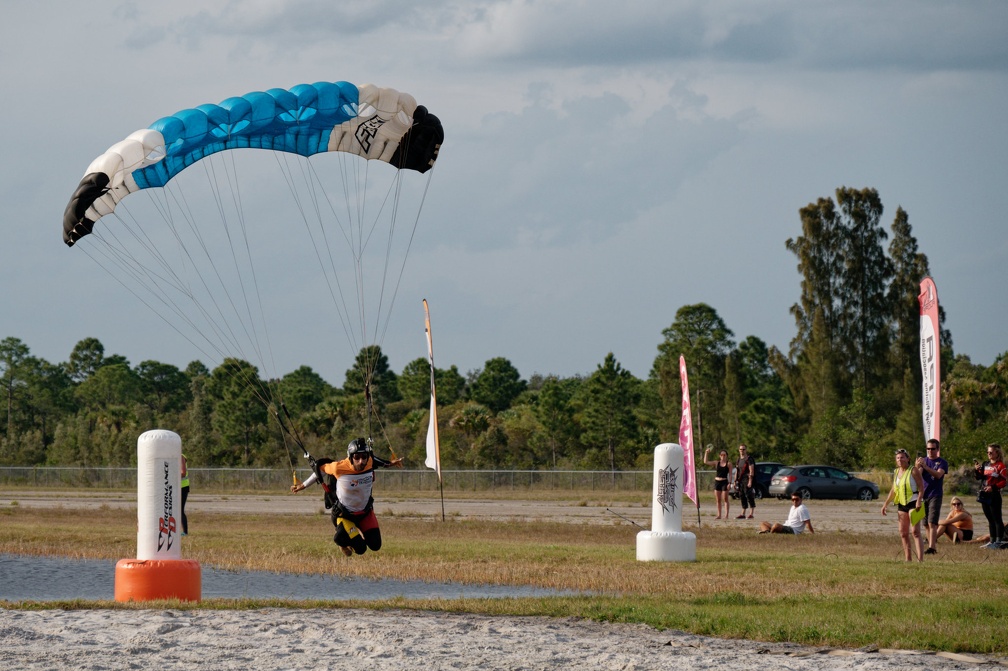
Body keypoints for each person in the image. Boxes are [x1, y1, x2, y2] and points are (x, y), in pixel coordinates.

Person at [291, 438, 403, 556]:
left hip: (365, 513)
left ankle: (355, 532)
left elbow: (381, 462)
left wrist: (392, 463)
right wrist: (302, 485)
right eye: (357, 457)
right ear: (350, 457)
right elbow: (320, 469)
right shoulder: (338, 467)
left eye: (364, 457)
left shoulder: (369, 462)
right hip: (345, 515)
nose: (361, 461)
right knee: (360, 549)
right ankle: (342, 543)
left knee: (375, 545)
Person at [881, 448, 925, 562]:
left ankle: (920, 560)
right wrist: (885, 504)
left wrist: (919, 500)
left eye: (902, 457)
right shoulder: (896, 472)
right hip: (901, 504)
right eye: (898, 458)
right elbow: (893, 490)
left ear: (907, 459)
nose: (900, 460)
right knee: (903, 533)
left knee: (915, 531)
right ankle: (908, 559)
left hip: (914, 502)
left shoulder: (913, 470)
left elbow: (921, 488)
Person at [915, 438, 947, 554]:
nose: (930, 451)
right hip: (923, 494)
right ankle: (930, 544)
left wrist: (926, 467)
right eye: (928, 449)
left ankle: (932, 548)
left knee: (932, 522)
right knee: (925, 524)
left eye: (933, 449)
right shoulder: (923, 461)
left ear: (937, 449)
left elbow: (938, 475)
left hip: (935, 494)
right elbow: (917, 476)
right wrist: (917, 466)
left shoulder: (942, 462)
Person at [973, 443, 1007, 549]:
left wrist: (993, 487)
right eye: (988, 452)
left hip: (994, 495)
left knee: (997, 518)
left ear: (997, 453)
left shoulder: (1001, 466)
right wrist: (977, 469)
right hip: (984, 494)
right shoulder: (986, 464)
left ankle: (999, 541)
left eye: (991, 452)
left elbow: (1004, 481)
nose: (989, 454)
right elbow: (979, 477)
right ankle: (992, 541)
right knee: (989, 518)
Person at [703, 446, 734, 519]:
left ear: (726, 456)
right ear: (719, 456)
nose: (723, 456)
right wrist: (706, 453)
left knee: (725, 499)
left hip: (724, 482)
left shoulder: (729, 464)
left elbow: (730, 474)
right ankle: (719, 514)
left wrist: (730, 483)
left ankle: (726, 515)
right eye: (721, 455)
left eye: (724, 455)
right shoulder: (716, 463)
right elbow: (706, 462)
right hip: (717, 482)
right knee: (718, 499)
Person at [734, 444, 756, 519]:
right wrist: (735, 481)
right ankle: (743, 513)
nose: (742, 451)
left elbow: (751, 470)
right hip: (740, 481)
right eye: (741, 449)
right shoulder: (738, 459)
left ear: (746, 450)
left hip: (747, 479)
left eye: (743, 449)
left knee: (749, 495)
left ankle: (751, 514)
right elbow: (737, 471)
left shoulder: (749, 459)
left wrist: (750, 481)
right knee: (742, 495)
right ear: (739, 450)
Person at [180, 453, 189, 536]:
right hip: (177, 487)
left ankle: (185, 532)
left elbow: (183, 472)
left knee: (180, 510)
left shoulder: (180, 456)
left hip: (183, 487)